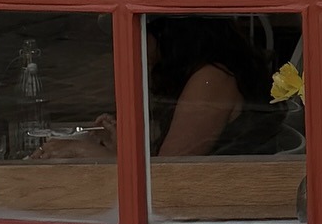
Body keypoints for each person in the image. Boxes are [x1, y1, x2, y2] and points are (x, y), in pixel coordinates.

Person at [34, 14, 288, 160]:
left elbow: (165, 176)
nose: (126, 43)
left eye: (137, 31)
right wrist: (119, 149)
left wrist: (85, 151)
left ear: (169, 34)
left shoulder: (212, 79)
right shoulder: (195, 75)